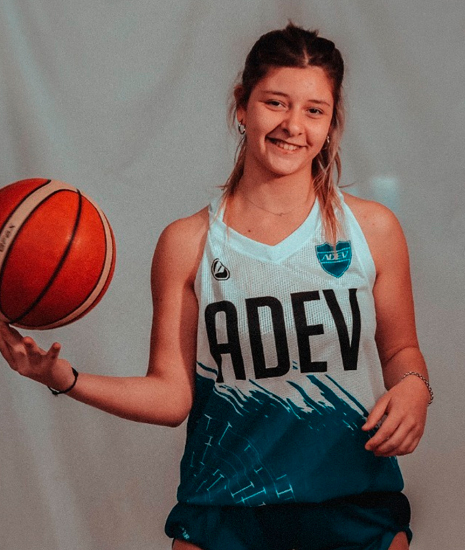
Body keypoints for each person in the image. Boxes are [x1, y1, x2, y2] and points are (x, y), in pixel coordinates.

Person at [0, 22, 432, 550]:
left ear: (331, 122)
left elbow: (401, 350)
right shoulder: (188, 244)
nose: (293, 125)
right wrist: (64, 378)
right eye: (275, 103)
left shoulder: (372, 230)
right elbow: (171, 395)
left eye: (314, 110)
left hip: (352, 504)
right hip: (227, 514)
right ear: (242, 106)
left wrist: (414, 387)